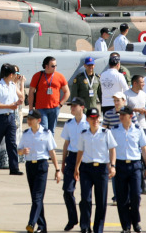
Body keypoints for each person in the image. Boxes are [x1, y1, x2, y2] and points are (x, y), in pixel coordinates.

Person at [74, 107, 117, 233]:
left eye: (97, 118)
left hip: (102, 169)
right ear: (87, 119)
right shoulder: (83, 134)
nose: (95, 121)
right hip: (86, 168)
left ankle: (98, 228)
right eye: (92, 118)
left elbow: (112, 149)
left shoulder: (106, 132)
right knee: (86, 199)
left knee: (101, 200)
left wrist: (112, 165)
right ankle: (85, 225)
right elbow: (80, 151)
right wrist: (77, 167)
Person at [18, 109, 60, 233]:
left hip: (42, 166)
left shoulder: (46, 134)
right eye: (28, 119)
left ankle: (31, 224)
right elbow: (18, 149)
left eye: (31, 119)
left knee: (37, 197)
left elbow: (52, 152)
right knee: (36, 198)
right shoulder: (26, 134)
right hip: (30, 166)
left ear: (39, 120)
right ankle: (42, 227)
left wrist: (57, 169)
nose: (29, 121)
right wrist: (22, 152)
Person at [112, 106, 146, 233]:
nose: (121, 116)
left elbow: (144, 150)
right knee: (122, 198)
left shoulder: (138, 130)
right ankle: (126, 226)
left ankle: (136, 222)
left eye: (123, 114)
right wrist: (110, 165)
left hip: (135, 166)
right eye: (120, 114)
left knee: (135, 196)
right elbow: (110, 150)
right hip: (120, 165)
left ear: (130, 116)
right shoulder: (114, 131)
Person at [0, 63, 24, 175]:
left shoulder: (12, 86)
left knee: (12, 143)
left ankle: (14, 168)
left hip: (10, 117)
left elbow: (19, 97)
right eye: (15, 73)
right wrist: (9, 106)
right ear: (11, 74)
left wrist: (17, 103)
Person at [60, 97, 88, 232]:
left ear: (82, 107)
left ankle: (84, 223)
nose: (71, 108)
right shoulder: (69, 124)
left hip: (85, 159)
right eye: (71, 106)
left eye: (74, 106)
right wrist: (63, 162)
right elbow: (66, 144)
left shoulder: (89, 123)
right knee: (67, 190)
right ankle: (72, 219)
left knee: (85, 195)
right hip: (71, 158)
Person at [28, 56, 70, 134]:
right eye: (53, 66)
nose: (55, 67)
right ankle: (43, 146)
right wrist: (30, 108)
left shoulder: (60, 76)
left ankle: (49, 146)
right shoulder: (37, 76)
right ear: (46, 66)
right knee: (44, 129)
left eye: (56, 65)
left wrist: (60, 104)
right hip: (41, 109)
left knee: (51, 131)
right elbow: (31, 92)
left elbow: (67, 92)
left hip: (55, 108)